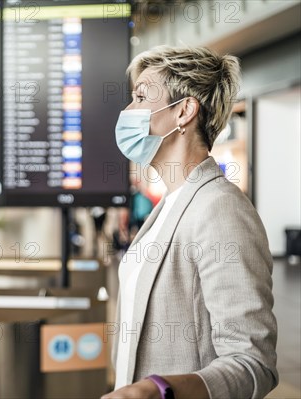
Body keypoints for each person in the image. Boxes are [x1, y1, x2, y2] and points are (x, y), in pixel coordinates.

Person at [103, 46, 277, 399]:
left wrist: (159, 390)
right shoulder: (168, 205)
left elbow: (252, 362)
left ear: (183, 111)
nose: (127, 111)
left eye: (140, 97)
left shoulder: (220, 209)